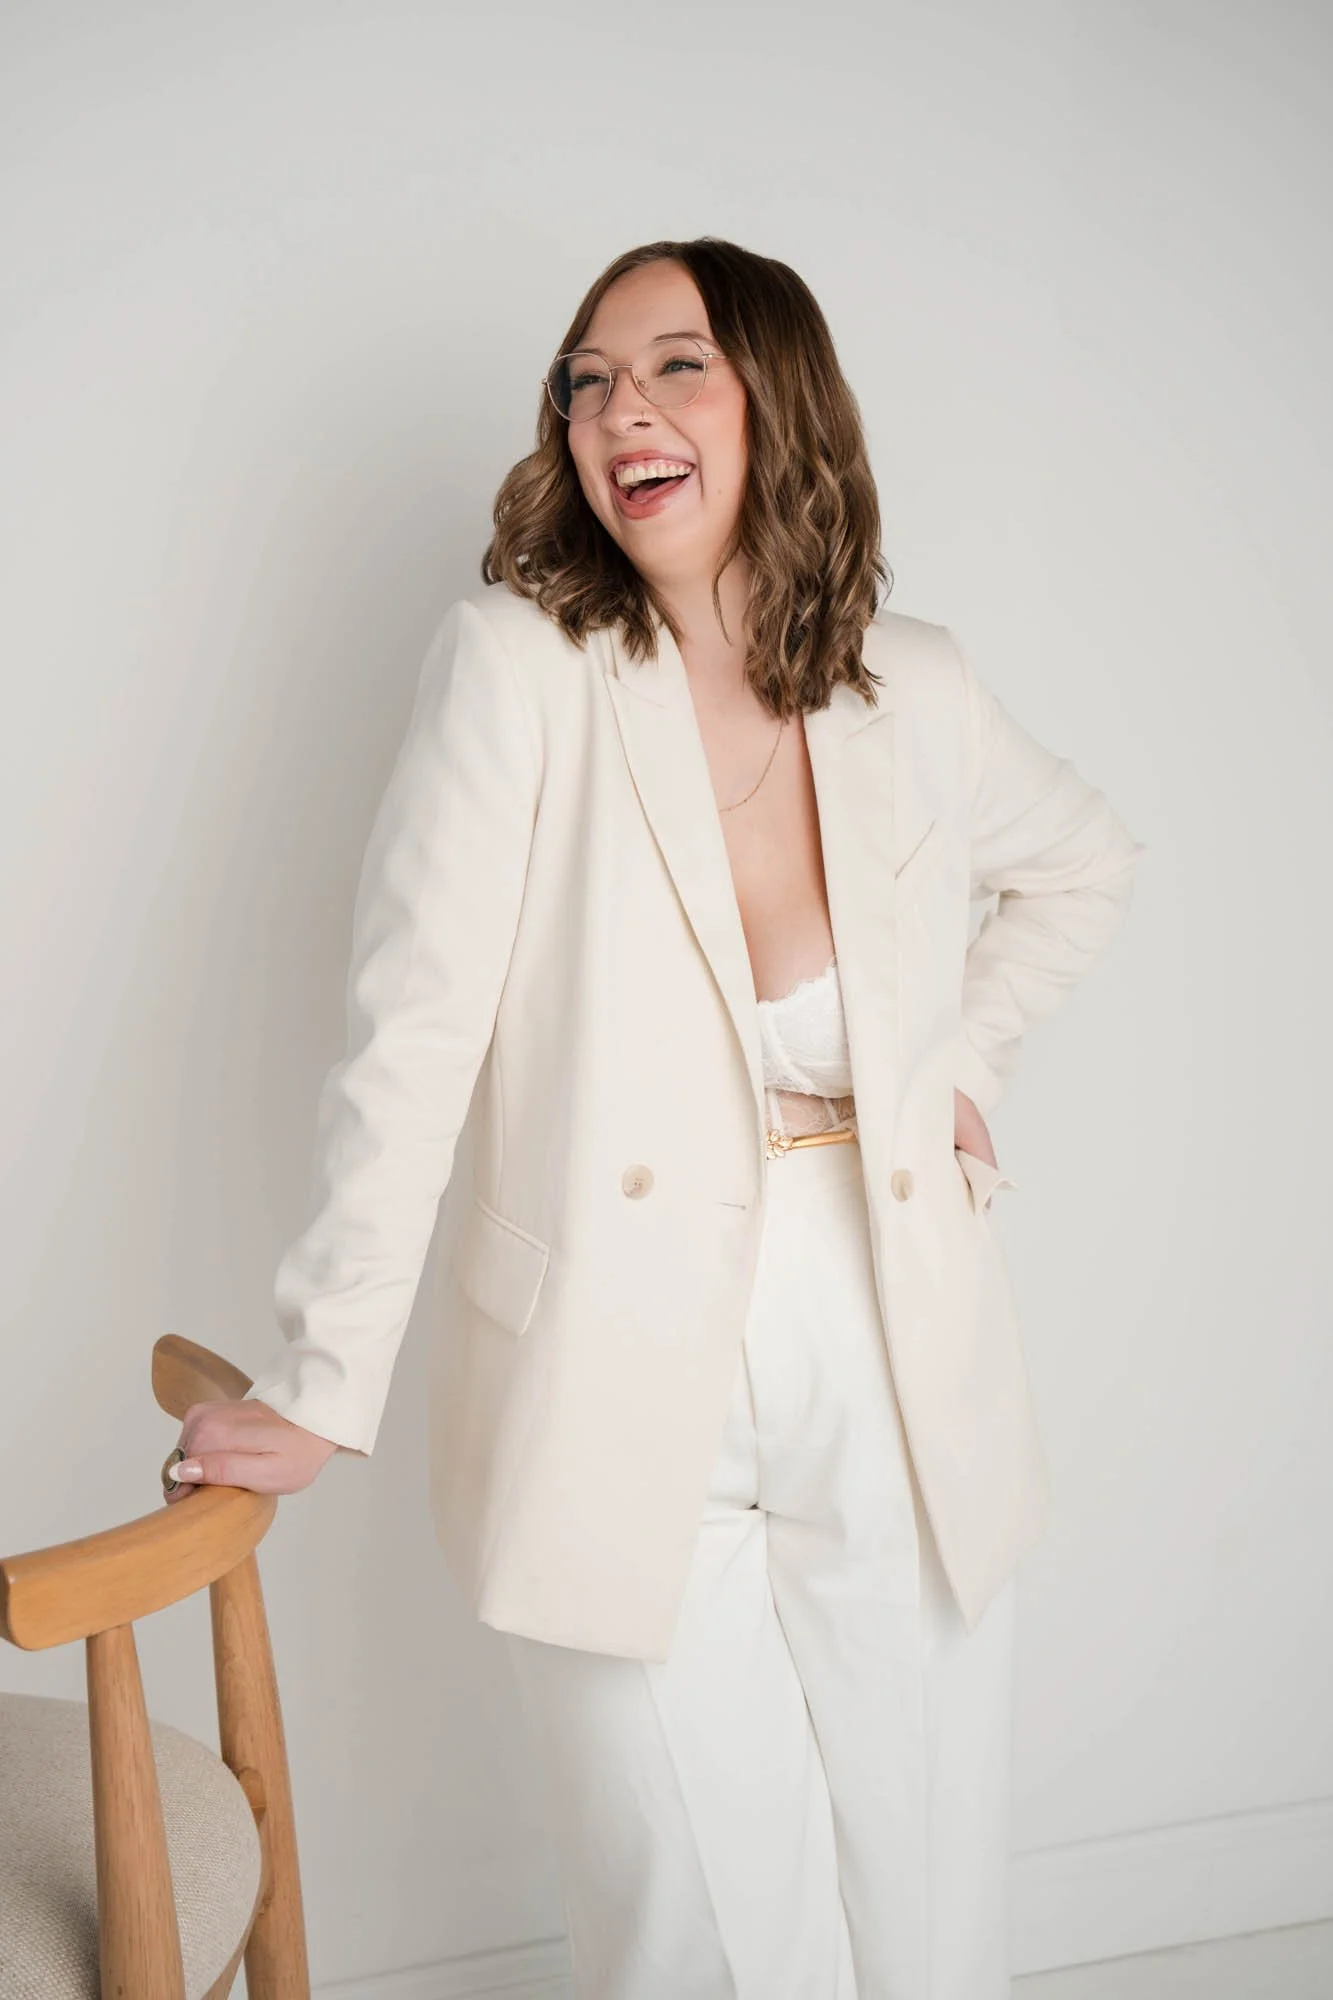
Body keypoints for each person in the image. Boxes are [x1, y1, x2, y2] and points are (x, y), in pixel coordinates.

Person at [163, 236, 1145, 1998]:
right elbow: (414, 1034)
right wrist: (323, 1376)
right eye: (590, 380)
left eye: (677, 364)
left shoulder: (914, 686)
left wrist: (966, 1063)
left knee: (928, 1903)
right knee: (703, 1923)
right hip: (614, 1364)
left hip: (896, 1335)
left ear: (780, 398)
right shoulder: (515, 668)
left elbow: (1083, 865)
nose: (624, 409)